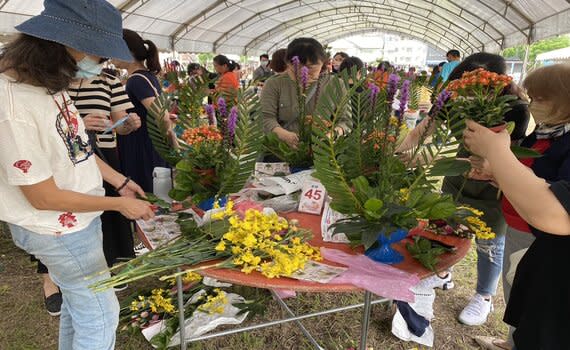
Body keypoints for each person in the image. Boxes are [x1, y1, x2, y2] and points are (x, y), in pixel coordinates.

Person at [0, 1, 155, 349]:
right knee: (101, 316)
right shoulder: (14, 105)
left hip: (77, 222)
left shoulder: (49, 87)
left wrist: (121, 182)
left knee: (79, 306)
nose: (100, 66)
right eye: (99, 57)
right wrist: (118, 205)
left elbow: (78, 149)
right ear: (72, 45)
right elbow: (42, 197)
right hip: (56, 228)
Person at [397, 53, 530, 328]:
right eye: (462, 83)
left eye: (474, 83)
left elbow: (493, 164)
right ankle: (444, 273)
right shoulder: (455, 100)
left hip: (494, 185)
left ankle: (483, 295)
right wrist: (398, 154)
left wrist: (427, 160)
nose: (465, 89)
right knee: (447, 228)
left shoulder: (514, 108)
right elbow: (423, 130)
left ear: (496, 83)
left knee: (490, 244)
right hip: (457, 181)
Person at [470, 63, 570, 350]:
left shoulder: (565, 142)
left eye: (542, 98)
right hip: (518, 223)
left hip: (537, 235)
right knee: (518, 289)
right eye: (532, 97)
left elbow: (552, 204)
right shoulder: (542, 132)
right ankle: (513, 339)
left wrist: (496, 151)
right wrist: (496, 173)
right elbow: (523, 173)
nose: (533, 104)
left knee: (530, 293)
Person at [261, 37, 351, 149]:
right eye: (296, 68)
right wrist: (284, 135)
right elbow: (266, 117)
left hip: (322, 151)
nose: (304, 73)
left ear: (322, 63)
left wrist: (330, 136)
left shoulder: (336, 85)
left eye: (311, 69)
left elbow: (346, 121)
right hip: (282, 151)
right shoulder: (274, 84)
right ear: (287, 63)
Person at [113, 29, 170, 193]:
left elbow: (163, 117)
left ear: (128, 51)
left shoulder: (136, 80)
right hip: (148, 145)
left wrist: (163, 141)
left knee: (146, 194)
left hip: (142, 148)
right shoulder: (145, 76)